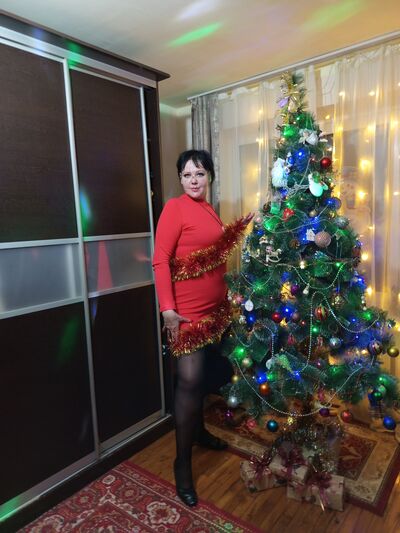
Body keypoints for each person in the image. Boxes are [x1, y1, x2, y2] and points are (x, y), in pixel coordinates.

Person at [152, 149, 253, 507]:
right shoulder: (175, 208)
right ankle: (182, 463)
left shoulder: (209, 210)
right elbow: (160, 261)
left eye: (199, 173)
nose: (193, 180)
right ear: (180, 179)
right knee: (190, 381)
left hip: (215, 313)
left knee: (210, 375)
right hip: (187, 315)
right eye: (186, 175)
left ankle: (199, 431)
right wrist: (168, 310)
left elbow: (214, 260)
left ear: (209, 175)